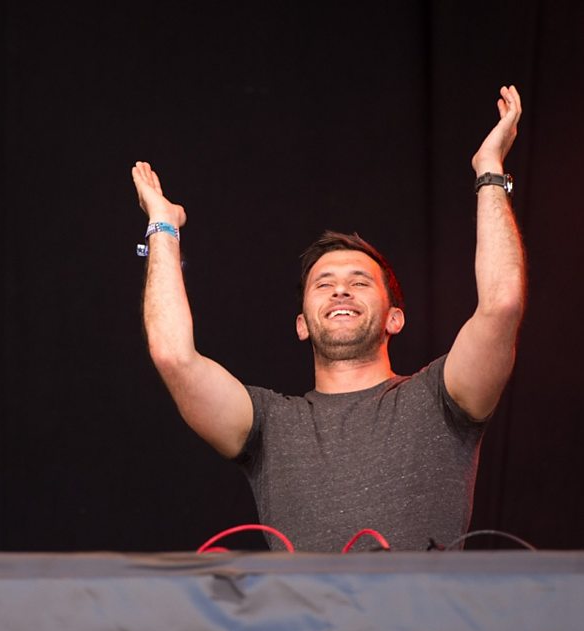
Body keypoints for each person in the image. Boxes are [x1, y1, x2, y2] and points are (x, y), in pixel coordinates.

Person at [132, 86, 526, 552]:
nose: (341, 289)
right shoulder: (269, 424)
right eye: (324, 284)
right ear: (302, 324)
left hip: (421, 604)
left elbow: (501, 304)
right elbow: (173, 356)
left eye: (360, 282)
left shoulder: (442, 398)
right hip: (306, 606)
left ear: (395, 318)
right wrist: (163, 226)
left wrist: (489, 171)